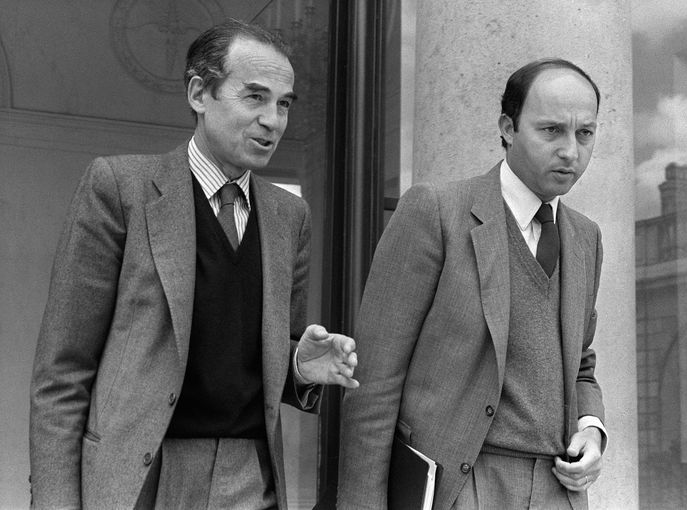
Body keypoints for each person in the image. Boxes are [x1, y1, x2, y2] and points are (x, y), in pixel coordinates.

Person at [29, 19, 358, 510]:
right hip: (137, 474)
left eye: (284, 103)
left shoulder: (291, 216)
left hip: (251, 476)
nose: (274, 120)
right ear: (200, 93)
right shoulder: (121, 189)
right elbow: (64, 371)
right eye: (255, 97)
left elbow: (265, 354)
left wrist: (299, 367)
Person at [337, 58, 607, 509]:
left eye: (585, 133)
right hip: (460, 486)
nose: (570, 151)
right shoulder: (437, 212)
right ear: (507, 127)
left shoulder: (586, 237)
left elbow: (581, 365)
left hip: (559, 492)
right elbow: (376, 379)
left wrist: (592, 429)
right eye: (551, 130)